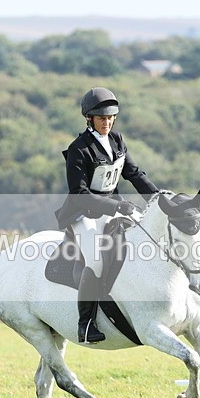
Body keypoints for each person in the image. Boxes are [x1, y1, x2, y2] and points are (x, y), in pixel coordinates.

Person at [55, 87, 160, 343]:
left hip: (115, 207)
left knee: (146, 237)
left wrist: (158, 199)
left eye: (111, 117)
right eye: (102, 118)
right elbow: (79, 192)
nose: (107, 122)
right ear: (89, 118)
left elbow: (134, 174)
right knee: (96, 261)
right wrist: (115, 207)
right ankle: (86, 323)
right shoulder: (79, 149)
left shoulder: (117, 140)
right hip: (84, 214)